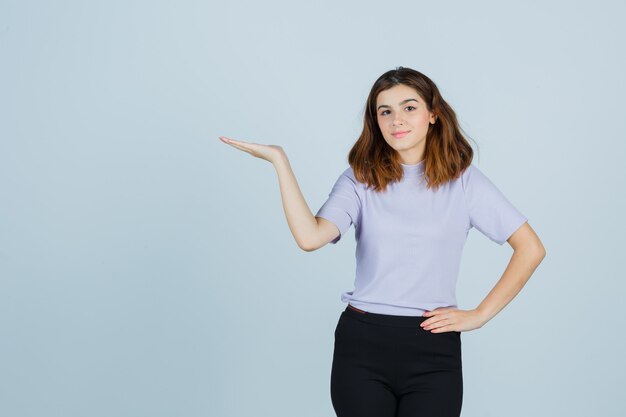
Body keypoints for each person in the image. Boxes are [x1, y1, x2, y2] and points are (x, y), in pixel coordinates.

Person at [218, 66, 546, 417]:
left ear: (433, 114)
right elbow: (310, 237)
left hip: (432, 348)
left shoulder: (463, 181)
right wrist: (280, 162)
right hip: (362, 346)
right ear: (375, 121)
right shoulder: (360, 178)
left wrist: (480, 315)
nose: (396, 121)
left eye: (409, 107)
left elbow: (530, 248)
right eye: (385, 111)